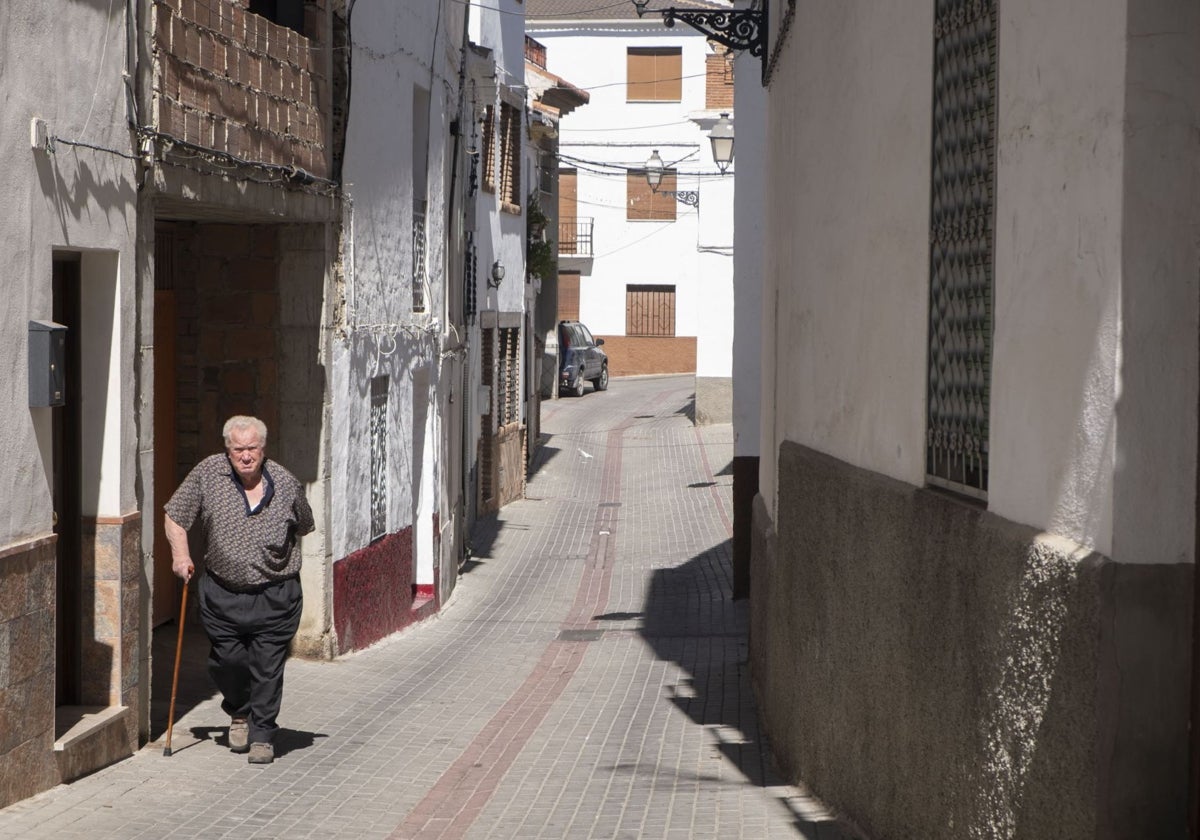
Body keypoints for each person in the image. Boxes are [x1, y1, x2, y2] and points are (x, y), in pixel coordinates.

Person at [164, 415, 314, 765]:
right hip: (222, 592)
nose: (245, 456)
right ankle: (239, 710)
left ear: (263, 449)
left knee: (267, 665)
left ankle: (262, 733)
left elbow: (304, 524)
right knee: (227, 661)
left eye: (252, 449)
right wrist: (181, 556)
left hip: (275, 594)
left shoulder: (288, 484)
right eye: (237, 450)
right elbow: (175, 515)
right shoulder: (208, 474)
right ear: (227, 450)